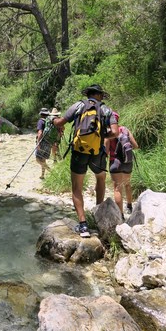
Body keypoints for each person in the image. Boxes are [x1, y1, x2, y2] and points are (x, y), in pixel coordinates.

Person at [53, 84, 119, 238]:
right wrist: (101, 136)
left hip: (79, 151)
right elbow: (115, 132)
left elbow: (60, 122)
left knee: (77, 187)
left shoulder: (78, 106)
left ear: (88, 94)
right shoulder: (106, 110)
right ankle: (97, 214)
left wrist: (54, 120)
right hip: (97, 152)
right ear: (100, 95)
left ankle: (83, 226)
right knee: (101, 178)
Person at [105, 112, 139, 220]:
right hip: (127, 162)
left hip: (115, 162)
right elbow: (135, 146)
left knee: (117, 188)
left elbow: (105, 152)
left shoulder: (109, 133)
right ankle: (129, 206)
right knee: (127, 184)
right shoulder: (125, 130)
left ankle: (121, 215)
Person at [35, 108, 52, 179]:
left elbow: (40, 132)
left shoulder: (40, 121)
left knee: (38, 159)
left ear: (41, 114)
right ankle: (42, 175)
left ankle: (52, 172)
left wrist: (38, 142)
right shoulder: (50, 121)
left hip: (42, 142)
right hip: (49, 143)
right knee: (43, 159)